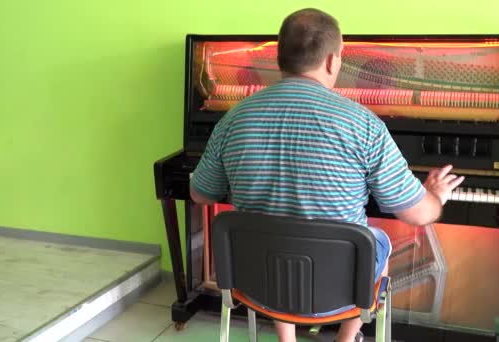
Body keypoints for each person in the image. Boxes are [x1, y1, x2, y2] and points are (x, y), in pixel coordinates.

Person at [190, 8, 464, 342]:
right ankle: (346, 338)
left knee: (276, 228)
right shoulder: (363, 125)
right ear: (333, 62)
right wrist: (435, 193)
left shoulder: (232, 120)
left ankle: (286, 337)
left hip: (256, 283)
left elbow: (201, 194)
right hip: (338, 289)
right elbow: (417, 214)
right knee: (379, 242)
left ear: (280, 59)